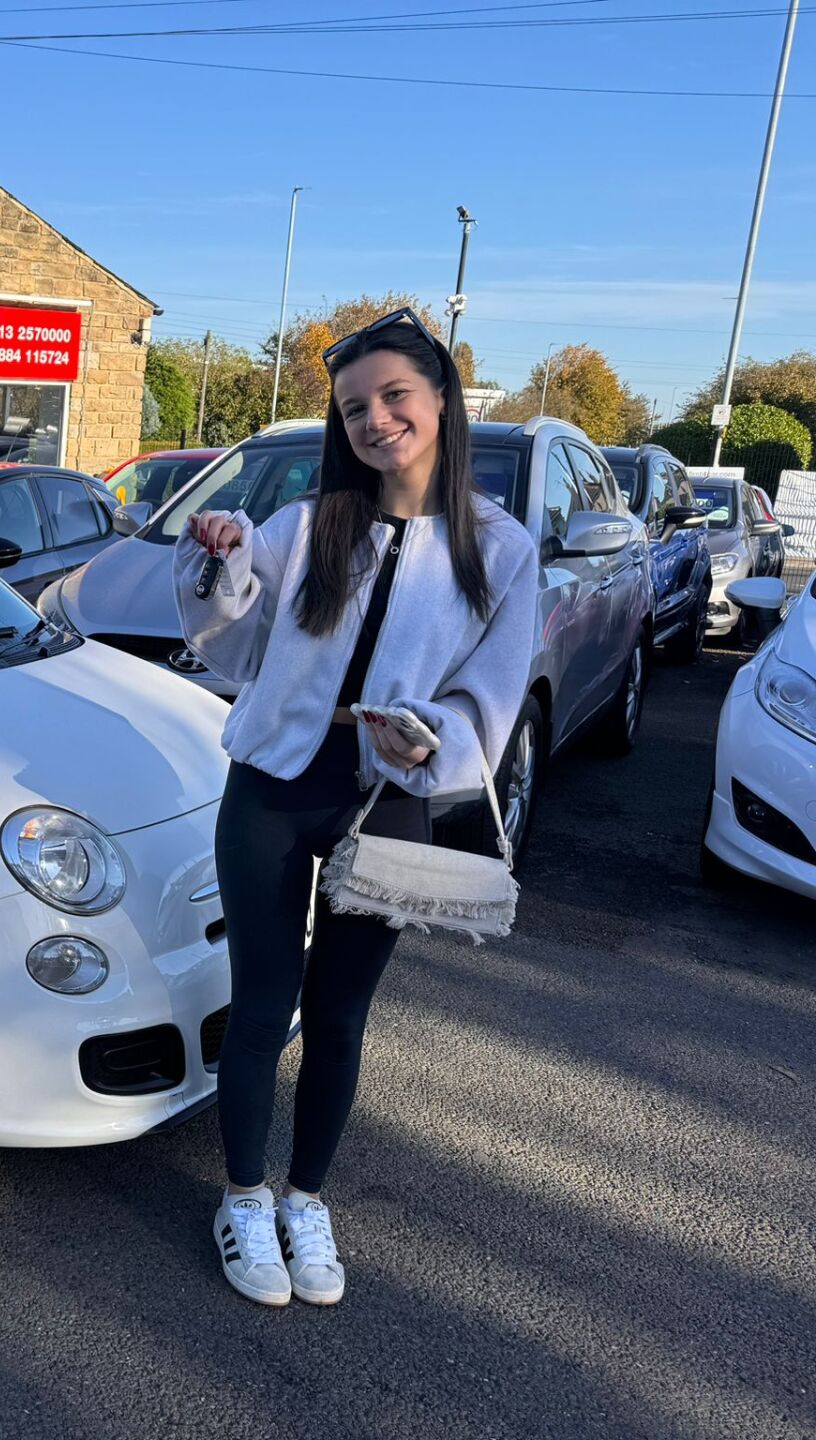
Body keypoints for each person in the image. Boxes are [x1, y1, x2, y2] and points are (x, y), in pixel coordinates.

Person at [175, 308, 535, 1307]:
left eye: (394, 397)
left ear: (441, 401)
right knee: (262, 1005)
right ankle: (243, 1197)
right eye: (354, 407)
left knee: (338, 1015)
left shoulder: (500, 553)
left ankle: (306, 1198)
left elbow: (490, 699)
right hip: (276, 787)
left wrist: (432, 738)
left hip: (389, 800)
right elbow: (231, 648)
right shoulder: (307, 524)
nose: (375, 420)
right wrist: (220, 559)